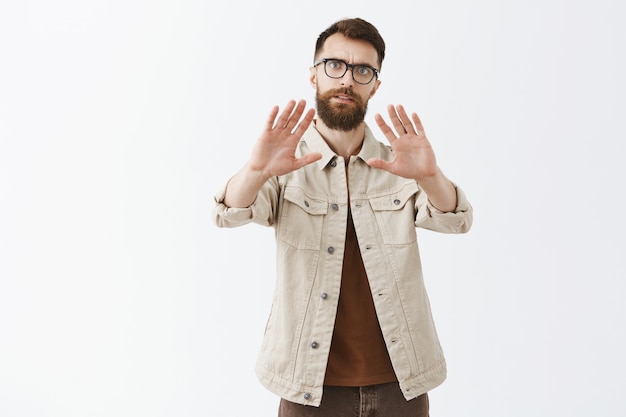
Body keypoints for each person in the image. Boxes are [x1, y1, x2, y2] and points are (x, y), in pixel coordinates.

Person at [213, 17, 473, 417]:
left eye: (362, 70)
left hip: (400, 383)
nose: (347, 80)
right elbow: (230, 213)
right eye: (335, 66)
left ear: (375, 85)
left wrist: (430, 175)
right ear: (314, 75)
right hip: (308, 385)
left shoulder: (398, 163)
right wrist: (256, 170)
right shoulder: (285, 165)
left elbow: (455, 220)